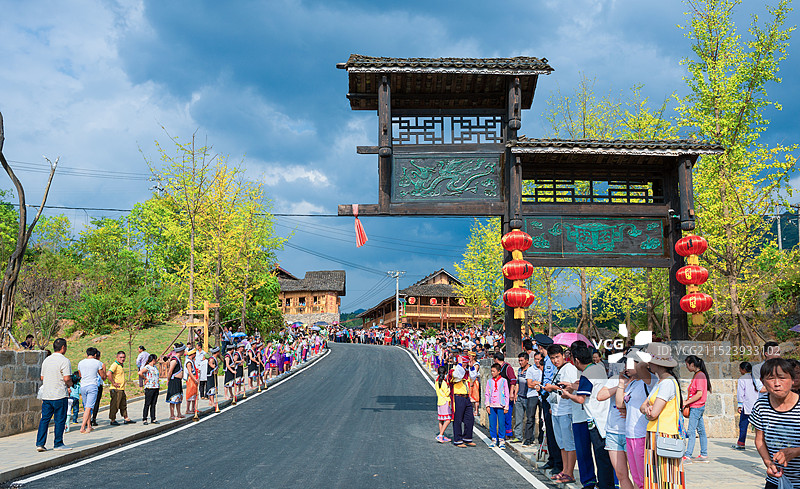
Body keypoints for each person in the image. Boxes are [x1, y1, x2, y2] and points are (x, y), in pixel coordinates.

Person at [560, 344, 614, 489]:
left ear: (577, 360)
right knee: (603, 456)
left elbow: (580, 399)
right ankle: (606, 484)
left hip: (594, 420)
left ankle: (602, 485)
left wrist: (567, 394)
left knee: (598, 454)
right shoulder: (599, 368)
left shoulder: (586, 374)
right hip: (604, 417)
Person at [640, 342, 685, 489]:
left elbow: (653, 413)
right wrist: (648, 410)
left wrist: (648, 411)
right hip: (658, 433)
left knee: (663, 477)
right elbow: (643, 407)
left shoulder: (666, 383)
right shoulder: (662, 382)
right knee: (660, 476)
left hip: (662, 434)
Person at [752, 358, 800, 489]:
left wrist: (796, 451)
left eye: (782, 378)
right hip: (776, 480)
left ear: (792, 379)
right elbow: (759, 440)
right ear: (762, 382)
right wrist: (768, 463)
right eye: (771, 378)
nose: (777, 383)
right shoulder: (761, 406)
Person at [544, 344, 578, 484]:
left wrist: (553, 387)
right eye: (552, 358)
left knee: (569, 443)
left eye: (557, 357)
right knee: (561, 444)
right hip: (557, 410)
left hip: (567, 411)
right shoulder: (557, 370)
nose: (555, 360)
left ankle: (570, 473)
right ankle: (564, 470)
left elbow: (570, 388)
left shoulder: (569, 369)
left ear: (563, 355)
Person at [36, 338, 73, 451]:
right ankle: (58, 443)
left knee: (45, 420)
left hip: (47, 395)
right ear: (63, 348)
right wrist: (70, 384)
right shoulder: (64, 361)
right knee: (59, 420)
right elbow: (66, 378)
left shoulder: (46, 360)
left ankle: (40, 444)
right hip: (59, 394)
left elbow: (42, 377)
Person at [536, 333, 563, 476]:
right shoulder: (546, 361)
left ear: (541, 347)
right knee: (549, 431)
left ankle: (558, 462)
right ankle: (552, 458)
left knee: (553, 432)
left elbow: (552, 381)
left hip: (550, 398)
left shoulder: (550, 362)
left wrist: (544, 390)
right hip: (544, 396)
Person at [683, 355, 710, 462]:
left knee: (691, 431)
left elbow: (699, 394)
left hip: (696, 407)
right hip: (699, 406)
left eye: (687, 365)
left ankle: (688, 455)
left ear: (692, 364)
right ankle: (703, 454)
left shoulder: (699, 376)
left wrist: (686, 402)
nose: (687, 367)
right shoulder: (700, 375)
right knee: (701, 431)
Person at [451, 356, 478, 447]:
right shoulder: (454, 370)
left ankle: (467, 438)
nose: (465, 365)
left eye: (466, 363)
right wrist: (459, 365)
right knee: (458, 419)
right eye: (464, 363)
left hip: (467, 397)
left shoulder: (467, 372)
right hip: (458, 397)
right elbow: (458, 376)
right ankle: (458, 440)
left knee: (470, 418)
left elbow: (473, 377)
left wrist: (471, 367)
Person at [78, 347, 106, 434]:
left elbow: (80, 375)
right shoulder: (98, 363)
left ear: (87, 354)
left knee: (86, 406)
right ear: (95, 354)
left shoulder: (81, 363)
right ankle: (83, 427)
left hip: (83, 386)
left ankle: (89, 426)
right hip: (92, 386)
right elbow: (102, 376)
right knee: (88, 407)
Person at [493, 352, 518, 442]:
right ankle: (501, 432)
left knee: (507, 414)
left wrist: (511, 393)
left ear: (496, 359)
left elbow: (513, 380)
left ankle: (508, 433)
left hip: (507, 395)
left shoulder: (508, 367)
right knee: (500, 415)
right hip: (499, 395)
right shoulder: (498, 368)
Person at [734, 361, 759, 450]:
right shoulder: (757, 377)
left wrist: (739, 404)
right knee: (759, 426)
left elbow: (741, 393)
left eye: (740, 369)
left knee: (743, 425)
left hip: (747, 405)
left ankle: (741, 443)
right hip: (757, 405)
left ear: (743, 369)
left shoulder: (742, 378)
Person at [107, 351, 135, 426]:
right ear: (117, 357)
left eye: (123, 357)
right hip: (116, 389)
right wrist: (113, 383)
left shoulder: (120, 365)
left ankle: (126, 418)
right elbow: (109, 373)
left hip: (121, 389)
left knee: (123, 404)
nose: (122, 359)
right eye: (121, 357)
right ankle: (113, 420)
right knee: (115, 405)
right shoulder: (115, 365)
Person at [486, 362, 510, 448]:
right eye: (491, 371)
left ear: (499, 371)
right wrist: (487, 405)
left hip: (501, 405)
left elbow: (506, 394)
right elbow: (487, 394)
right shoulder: (489, 381)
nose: (492, 373)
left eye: (494, 371)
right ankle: (493, 439)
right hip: (492, 405)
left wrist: (506, 406)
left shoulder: (504, 381)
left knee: (501, 423)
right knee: (492, 423)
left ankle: (501, 440)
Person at [513, 352, 531, 444]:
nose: (520, 362)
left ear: (527, 360)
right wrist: (515, 394)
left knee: (529, 418)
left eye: (522, 360)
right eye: (519, 360)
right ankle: (518, 436)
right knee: (518, 418)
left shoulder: (531, 370)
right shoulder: (520, 370)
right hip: (520, 397)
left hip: (528, 397)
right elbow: (517, 383)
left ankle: (529, 438)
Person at [165, 343, 185, 419]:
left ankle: (179, 413)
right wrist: (168, 380)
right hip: (174, 380)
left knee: (178, 397)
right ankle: (172, 415)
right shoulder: (174, 359)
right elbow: (170, 371)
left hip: (178, 381)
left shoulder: (178, 359)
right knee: (173, 397)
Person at [139, 354, 160, 425]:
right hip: (149, 387)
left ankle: (153, 418)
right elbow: (140, 372)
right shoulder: (148, 367)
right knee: (147, 403)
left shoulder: (155, 367)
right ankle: (145, 418)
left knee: (153, 404)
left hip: (156, 387)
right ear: (153, 360)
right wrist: (145, 379)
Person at [435, 366, 452, 443]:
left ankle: (442, 435)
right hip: (445, 401)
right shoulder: (444, 382)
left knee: (441, 419)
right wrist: (449, 387)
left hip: (439, 401)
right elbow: (447, 392)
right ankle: (441, 434)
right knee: (448, 419)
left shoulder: (437, 381)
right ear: (445, 373)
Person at [90, 349, 104, 426]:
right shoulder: (100, 364)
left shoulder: (85, 363)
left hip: (87, 385)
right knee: (96, 403)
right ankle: (94, 419)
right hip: (98, 385)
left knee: (88, 403)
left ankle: (88, 419)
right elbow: (103, 376)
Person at [184, 349, 199, 416]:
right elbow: (190, 372)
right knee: (190, 393)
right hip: (191, 379)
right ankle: (187, 409)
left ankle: (193, 408)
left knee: (194, 393)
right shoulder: (189, 362)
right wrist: (195, 379)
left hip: (194, 377)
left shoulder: (192, 361)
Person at [207, 346, 220, 411]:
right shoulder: (211, 359)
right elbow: (211, 365)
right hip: (211, 375)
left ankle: (211, 401)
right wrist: (214, 366)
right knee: (211, 388)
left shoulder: (215, 358)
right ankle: (212, 402)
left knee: (214, 388)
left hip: (214, 375)